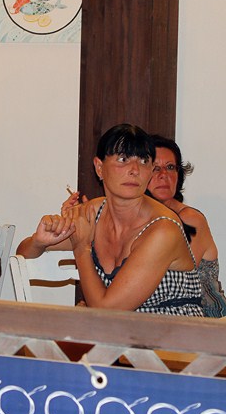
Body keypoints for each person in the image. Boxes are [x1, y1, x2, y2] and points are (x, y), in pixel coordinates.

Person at [17, 124, 204, 316]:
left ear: (150, 171)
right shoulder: (93, 212)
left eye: (143, 161)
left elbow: (107, 310)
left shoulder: (164, 229)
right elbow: (22, 256)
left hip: (171, 331)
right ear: (99, 168)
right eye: (123, 159)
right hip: (117, 331)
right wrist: (39, 242)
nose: (134, 170)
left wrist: (81, 248)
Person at [146, 135, 226, 317]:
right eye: (155, 168)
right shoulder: (137, 220)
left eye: (170, 167)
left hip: (202, 316)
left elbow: (168, 282)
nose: (164, 175)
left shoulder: (189, 219)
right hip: (158, 315)